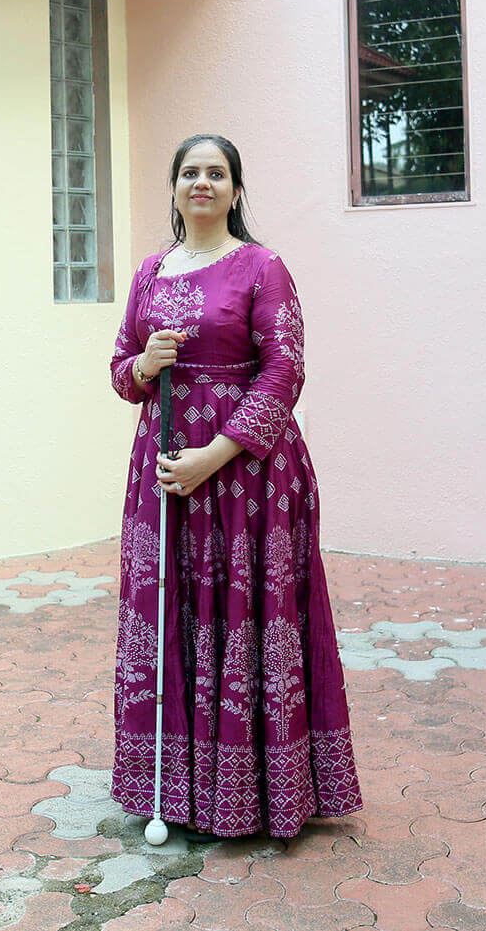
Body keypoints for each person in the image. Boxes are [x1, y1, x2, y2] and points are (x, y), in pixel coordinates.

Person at [107, 133, 363, 839]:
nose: (202, 183)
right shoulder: (151, 272)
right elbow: (120, 368)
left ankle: (257, 794)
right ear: (173, 188)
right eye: (189, 171)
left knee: (245, 615)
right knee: (176, 613)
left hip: (249, 477)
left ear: (236, 191)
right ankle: (178, 789)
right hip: (163, 475)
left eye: (216, 173)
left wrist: (211, 457)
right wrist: (146, 367)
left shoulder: (262, 267)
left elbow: (284, 370)